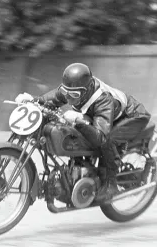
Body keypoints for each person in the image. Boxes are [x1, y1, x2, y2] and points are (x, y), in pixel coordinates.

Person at [15, 63, 151, 202]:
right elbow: (53, 99)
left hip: (132, 116)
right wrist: (33, 100)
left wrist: (79, 121)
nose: (68, 99)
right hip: (103, 116)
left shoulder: (103, 100)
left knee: (108, 141)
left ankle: (111, 184)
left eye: (73, 95)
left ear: (86, 91)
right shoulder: (73, 89)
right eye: (65, 92)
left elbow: (101, 137)